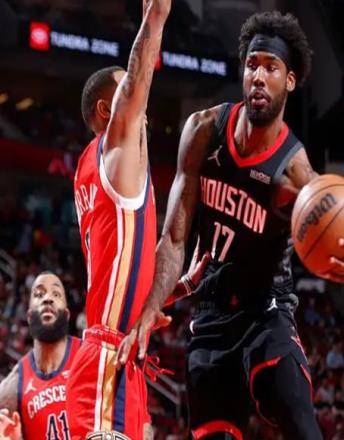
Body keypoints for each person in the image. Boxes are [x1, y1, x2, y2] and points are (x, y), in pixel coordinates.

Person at [118, 10, 344, 439]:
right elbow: (175, 238)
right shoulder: (203, 131)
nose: (258, 76)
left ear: (289, 81)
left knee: (301, 423)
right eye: (252, 65)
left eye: (271, 68)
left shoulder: (296, 176)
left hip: (265, 314)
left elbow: (342, 244)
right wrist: (150, 308)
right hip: (210, 315)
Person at [67, 0, 207, 438]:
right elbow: (138, 77)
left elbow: (121, 263)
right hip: (106, 362)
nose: (142, 101)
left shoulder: (103, 172)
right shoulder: (112, 150)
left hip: (121, 358)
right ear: (106, 111)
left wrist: (173, 289)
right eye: (127, 91)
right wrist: (155, 19)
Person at [0, 272, 80, 440]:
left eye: (56, 294)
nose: (47, 299)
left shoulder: (89, 355)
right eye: (39, 294)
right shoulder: (16, 382)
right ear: (29, 316)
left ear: (67, 315)